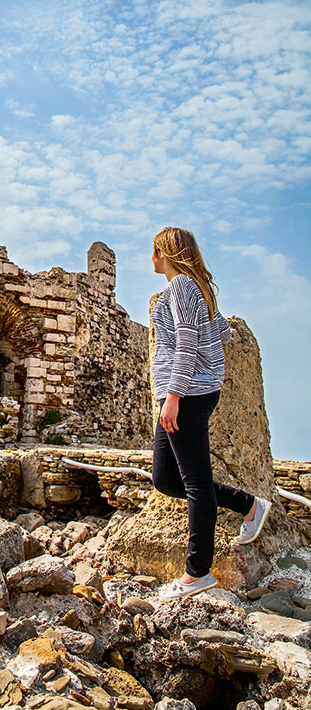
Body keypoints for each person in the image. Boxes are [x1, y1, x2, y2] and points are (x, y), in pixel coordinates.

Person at [150, 226, 271, 601]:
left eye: (154, 251)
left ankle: (197, 573)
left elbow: (186, 344)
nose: (151, 258)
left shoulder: (183, 287)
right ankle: (249, 505)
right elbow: (222, 334)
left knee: (196, 483)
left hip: (185, 395)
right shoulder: (194, 289)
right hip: (185, 393)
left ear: (165, 253)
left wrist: (174, 394)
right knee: (165, 478)